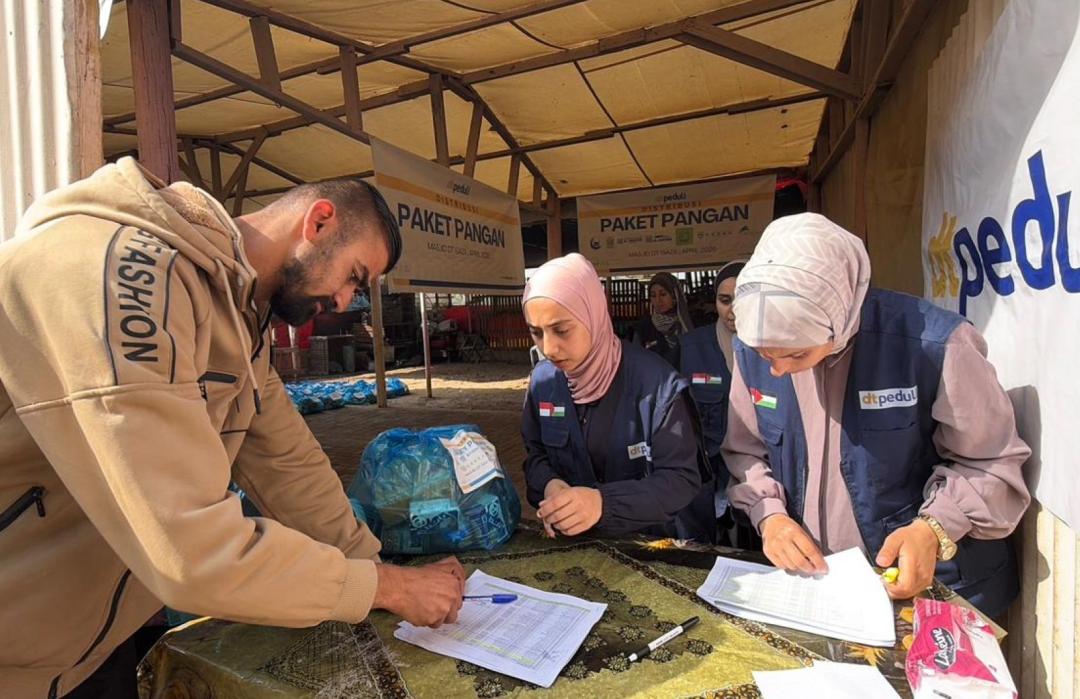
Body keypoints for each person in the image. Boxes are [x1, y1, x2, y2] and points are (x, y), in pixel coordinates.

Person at [0, 158, 466, 699]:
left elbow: (289, 463)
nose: (344, 302)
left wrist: (372, 565)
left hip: (86, 642)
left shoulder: (238, 316)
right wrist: (386, 587)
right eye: (354, 277)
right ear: (318, 222)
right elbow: (192, 550)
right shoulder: (122, 273)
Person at [721, 213, 1031, 618]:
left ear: (838, 317)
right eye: (767, 355)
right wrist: (770, 517)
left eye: (797, 353)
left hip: (936, 587)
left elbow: (992, 463)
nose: (777, 370)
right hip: (823, 588)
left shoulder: (936, 345)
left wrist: (934, 528)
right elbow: (745, 453)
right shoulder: (752, 350)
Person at [521, 254, 716, 543]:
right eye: (536, 333)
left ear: (593, 314)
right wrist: (549, 485)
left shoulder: (658, 385)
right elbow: (535, 456)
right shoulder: (543, 382)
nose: (549, 348)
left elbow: (681, 480)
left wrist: (603, 504)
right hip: (573, 547)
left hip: (648, 549)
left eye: (561, 330)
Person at [679, 261, 745, 532]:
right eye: (725, 300)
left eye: (742, 299)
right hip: (708, 468)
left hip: (759, 471)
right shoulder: (691, 347)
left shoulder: (776, 349)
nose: (733, 310)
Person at [633, 272, 693, 368]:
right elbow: (637, 364)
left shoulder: (690, 324)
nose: (658, 300)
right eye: (653, 295)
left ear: (674, 296)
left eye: (663, 294)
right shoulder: (644, 328)